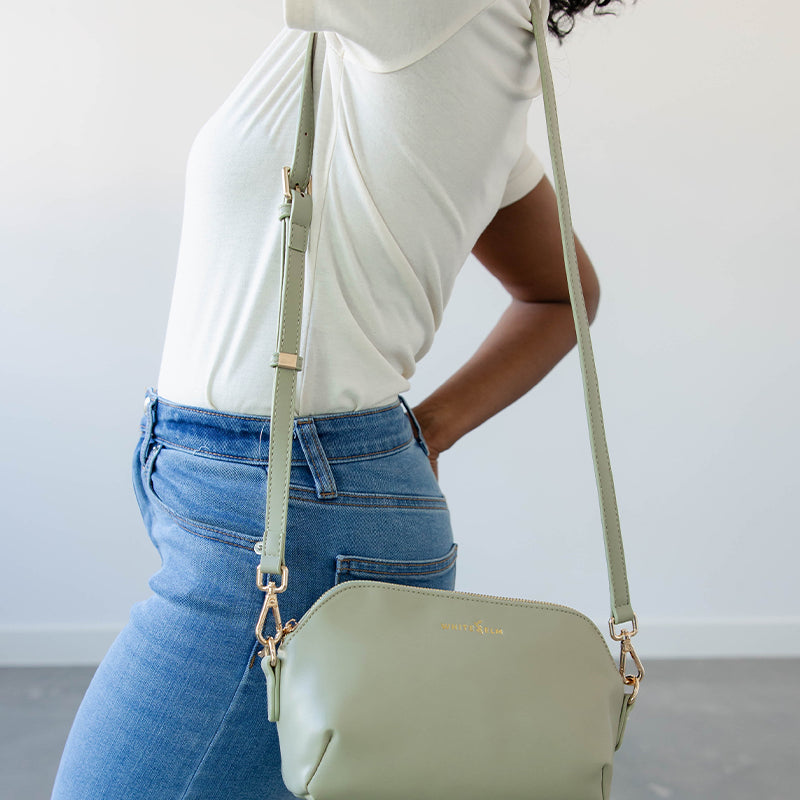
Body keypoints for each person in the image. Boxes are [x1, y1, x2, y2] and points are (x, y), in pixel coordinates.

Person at [51, 1, 618, 797]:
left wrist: (425, 434)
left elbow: (563, 297)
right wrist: (426, 436)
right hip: (278, 496)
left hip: (286, 517)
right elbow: (563, 295)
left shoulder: (437, 14)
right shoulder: (450, 51)